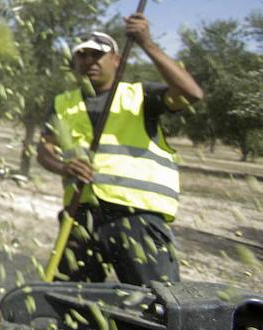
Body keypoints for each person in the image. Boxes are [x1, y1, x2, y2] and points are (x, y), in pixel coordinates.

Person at [36, 14, 203, 286]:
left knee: (156, 305)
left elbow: (191, 93)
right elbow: (43, 152)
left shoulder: (140, 96)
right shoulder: (62, 103)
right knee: (69, 303)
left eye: (97, 55)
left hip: (137, 219)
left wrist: (147, 44)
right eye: (83, 55)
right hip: (81, 217)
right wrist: (63, 167)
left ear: (117, 60)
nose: (89, 61)